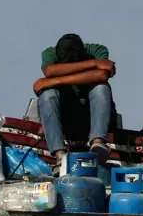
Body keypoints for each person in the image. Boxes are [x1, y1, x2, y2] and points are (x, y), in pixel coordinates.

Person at [34, 33, 116, 167]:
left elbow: (101, 75)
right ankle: (59, 154)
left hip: (90, 114)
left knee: (101, 87)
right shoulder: (50, 53)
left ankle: (98, 143)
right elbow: (49, 71)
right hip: (64, 115)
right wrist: (94, 65)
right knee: (47, 94)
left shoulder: (97, 51)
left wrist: (55, 80)